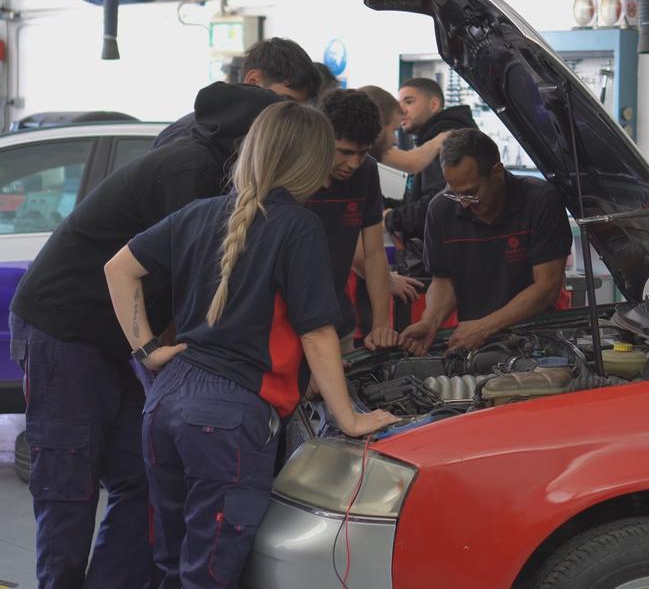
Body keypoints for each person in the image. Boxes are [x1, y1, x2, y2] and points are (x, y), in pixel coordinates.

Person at [104, 101, 397, 587]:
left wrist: (147, 351)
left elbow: (119, 269)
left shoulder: (198, 214)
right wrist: (349, 418)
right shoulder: (298, 226)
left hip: (165, 402)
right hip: (228, 417)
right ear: (310, 160)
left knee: (171, 566)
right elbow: (318, 333)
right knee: (211, 572)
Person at [8, 82, 281, 588]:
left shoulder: (216, 167)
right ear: (250, 139)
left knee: (143, 478)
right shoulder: (191, 170)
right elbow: (191, 271)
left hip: (114, 337)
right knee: (69, 482)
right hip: (65, 328)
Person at [398, 129, 571, 355]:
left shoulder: (540, 201)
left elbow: (546, 286)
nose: (463, 204)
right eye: (454, 193)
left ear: (497, 172)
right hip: (473, 340)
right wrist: (430, 321)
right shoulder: (441, 209)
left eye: (471, 193)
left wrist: (486, 326)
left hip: (539, 340)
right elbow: (443, 281)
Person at [308, 89, 399, 350]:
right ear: (320, 138)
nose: (354, 164)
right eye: (345, 152)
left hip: (339, 325)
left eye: (362, 153)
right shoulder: (292, 175)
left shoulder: (367, 171)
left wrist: (382, 325)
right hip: (289, 330)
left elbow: (373, 254)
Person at [153, 37, 320, 148]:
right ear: (253, 80)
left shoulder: (256, 140)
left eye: (298, 108)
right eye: (285, 102)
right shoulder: (189, 136)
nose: (290, 116)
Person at [383, 78, 479, 254]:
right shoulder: (430, 140)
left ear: (434, 104)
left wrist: (392, 218)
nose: (401, 110)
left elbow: (440, 202)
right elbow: (421, 198)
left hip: (449, 254)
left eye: (409, 101)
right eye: (399, 103)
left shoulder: (449, 140)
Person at [359, 84, 449, 173]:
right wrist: (444, 137)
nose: (395, 141)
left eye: (409, 102)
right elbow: (412, 163)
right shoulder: (363, 145)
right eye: (393, 130)